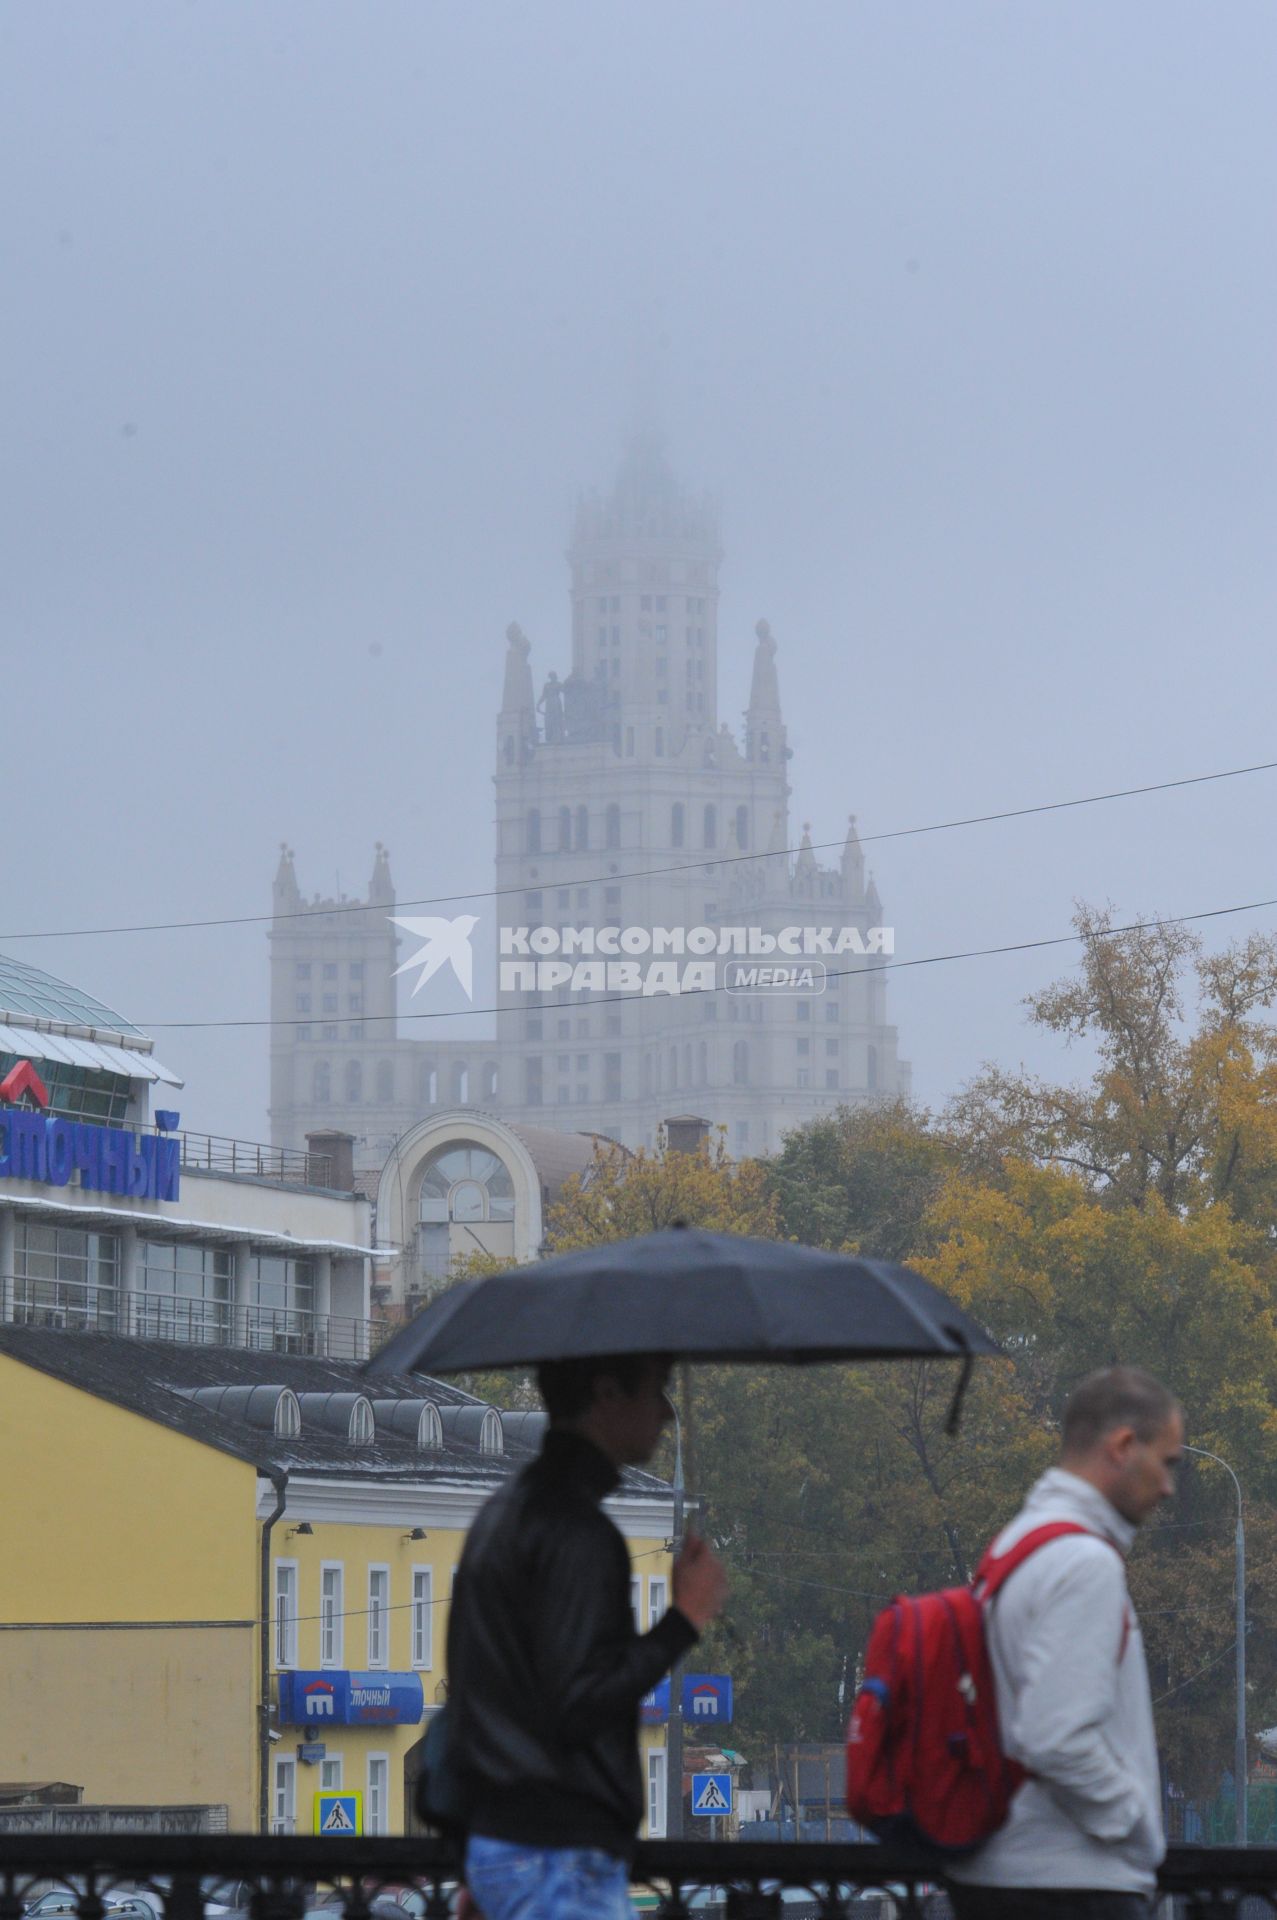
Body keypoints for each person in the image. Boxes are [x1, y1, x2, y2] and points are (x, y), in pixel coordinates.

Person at [447, 1353, 727, 1920]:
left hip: (508, 1838)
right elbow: (577, 1703)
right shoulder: (576, 1533)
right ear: (606, 1394)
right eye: (655, 1390)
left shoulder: (505, 1514)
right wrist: (685, 1620)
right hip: (560, 1853)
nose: (667, 1414)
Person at [947, 1365, 1184, 1920]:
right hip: (1070, 1885)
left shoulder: (1017, 1543)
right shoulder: (1083, 1562)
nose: (1170, 1486)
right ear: (1123, 1446)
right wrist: (1136, 1825)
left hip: (1005, 1873)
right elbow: (1054, 1736)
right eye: (1167, 1462)